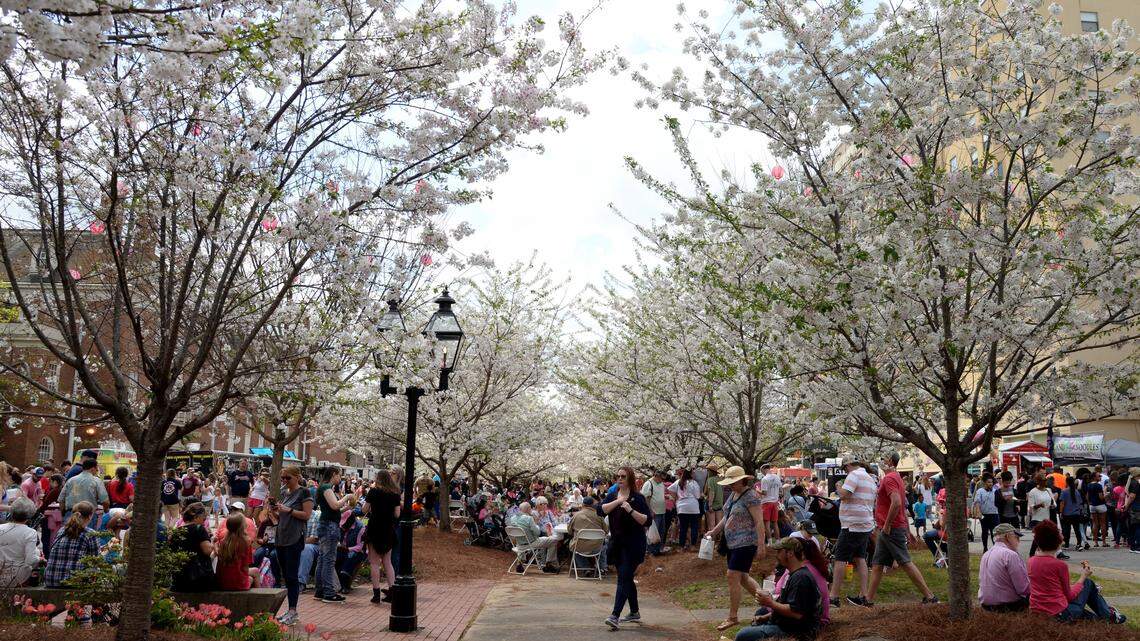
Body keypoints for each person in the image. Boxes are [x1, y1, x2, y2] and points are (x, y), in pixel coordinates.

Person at [865, 452, 937, 607]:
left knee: (905, 562)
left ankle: (930, 596)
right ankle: (868, 600)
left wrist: (887, 524)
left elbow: (897, 503)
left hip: (890, 529)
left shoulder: (890, 478)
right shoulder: (896, 477)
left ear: (890, 461)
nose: (881, 462)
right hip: (891, 528)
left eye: (882, 458)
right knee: (877, 564)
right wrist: (907, 530)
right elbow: (902, 505)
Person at [1028, 520, 1127, 623]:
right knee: (1087, 583)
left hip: (1038, 612)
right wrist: (1083, 576)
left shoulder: (1031, 561)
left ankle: (1108, 616)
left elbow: (1052, 588)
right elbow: (1070, 596)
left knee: (1095, 620)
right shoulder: (1059, 565)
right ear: (1057, 541)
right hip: (1060, 614)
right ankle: (1110, 615)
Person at [705, 466, 765, 632]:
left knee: (732, 575)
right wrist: (714, 531)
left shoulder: (751, 496)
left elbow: (759, 522)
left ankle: (733, 616)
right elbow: (727, 515)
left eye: (733, 482)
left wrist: (761, 545)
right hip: (733, 543)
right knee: (743, 577)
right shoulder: (734, 494)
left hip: (746, 543)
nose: (729, 485)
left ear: (742, 480)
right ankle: (769, 603)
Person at [733, 538, 821, 641]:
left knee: (742, 635)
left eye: (779, 552)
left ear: (790, 553)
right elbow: (787, 604)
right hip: (787, 625)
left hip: (795, 632)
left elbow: (796, 613)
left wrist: (770, 603)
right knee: (759, 615)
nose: (777, 556)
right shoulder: (794, 574)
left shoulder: (801, 578)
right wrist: (766, 616)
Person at [600, 466, 651, 630]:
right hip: (617, 544)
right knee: (626, 578)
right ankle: (634, 612)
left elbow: (647, 520)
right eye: (618, 476)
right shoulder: (612, 495)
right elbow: (600, 510)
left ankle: (614, 615)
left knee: (623, 577)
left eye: (623, 476)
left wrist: (630, 510)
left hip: (634, 544)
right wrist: (618, 502)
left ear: (630, 478)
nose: (619, 479)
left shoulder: (638, 498)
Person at [830, 456, 875, 608]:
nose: (845, 471)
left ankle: (833, 596)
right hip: (865, 523)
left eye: (844, 468)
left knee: (840, 559)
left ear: (848, 465)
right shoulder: (869, 477)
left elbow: (844, 495)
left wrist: (838, 486)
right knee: (860, 558)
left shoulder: (854, 475)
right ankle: (864, 595)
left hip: (852, 523)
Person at [275, 466, 313, 624]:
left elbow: (306, 515)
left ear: (297, 477)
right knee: (285, 575)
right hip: (281, 536)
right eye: (282, 477)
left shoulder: (304, 492)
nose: (284, 481)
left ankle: (293, 610)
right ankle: (289, 610)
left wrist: (288, 510)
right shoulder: (284, 492)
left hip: (294, 538)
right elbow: (282, 515)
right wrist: (274, 511)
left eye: (287, 478)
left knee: (292, 575)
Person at [314, 466, 355, 603]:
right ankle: (328, 592)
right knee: (328, 560)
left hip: (326, 524)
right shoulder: (326, 488)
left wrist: (347, 508)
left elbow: (334, 510)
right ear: (333, 474)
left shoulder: (323, 488)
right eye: (339, 475)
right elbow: (334, 505)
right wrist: (348, 497)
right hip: (329, 527)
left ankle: (320, 590)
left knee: (322, 558)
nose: (340, 478)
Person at [362, 470, 400, 604]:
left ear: (377, 479)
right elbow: (397, 514)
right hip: (388, 529)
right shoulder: (395, 494)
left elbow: (364, 510)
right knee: (387, 562)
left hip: (374, 529)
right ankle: (392, 592)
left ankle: (376, 594)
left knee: (374, 563)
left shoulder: (373, 492)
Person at [44, 501, 98, 588]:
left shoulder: (62, 530)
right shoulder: (90, 534)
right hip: (74, 582)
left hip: (51, 580)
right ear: (90, 516)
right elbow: (96, 561)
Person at [978, 523, 1029, 611]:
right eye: (1016, 537)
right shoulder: (1010, 555)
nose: (1018, 541)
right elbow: (1023, 589)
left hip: (986, 605)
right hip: (1008, 605)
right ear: (1008, 536)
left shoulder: (986, 554)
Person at [507, 502, 560, 572]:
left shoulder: (513, 518)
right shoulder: (529, 518)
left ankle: (520, 561)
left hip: (519, 545)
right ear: (528, 509)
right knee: (554, 540)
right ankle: (550, 563)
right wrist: (536, 524)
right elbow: (538, 533)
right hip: (532, 543)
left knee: (527, 540)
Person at [0, 498, 41, 587]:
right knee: (37, 552)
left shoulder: (1, 528)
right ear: (29, 516)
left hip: (1, 572)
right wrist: (40, 559)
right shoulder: (30, 532)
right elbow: (31, 560)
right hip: (17, 576)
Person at [216, 512, 260, 591]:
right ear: (242, 526)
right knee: (255, 572)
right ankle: (260, 599)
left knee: (251, 574)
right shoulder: (246, 542)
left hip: (222, 581)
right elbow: (245, 567)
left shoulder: (223, 541)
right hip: (237, 582)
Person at [566, 496, 609, 574]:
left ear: (583, 504)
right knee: (604, 544)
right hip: (597, 547)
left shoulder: (576, 515)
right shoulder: (599, 515)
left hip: (580, 546)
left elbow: (569, 531)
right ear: (593, 505)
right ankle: (603, 567)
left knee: (574, 547)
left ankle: (585, 568)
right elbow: (606, 531)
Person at [669, 468, 702, 552]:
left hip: (681, 507)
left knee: (683, 527)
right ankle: (693, 546)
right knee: (694, 526)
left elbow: (669, 489)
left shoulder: (679, 482)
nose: (694, 474)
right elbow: (698, 496)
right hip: (693, 507)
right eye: (693, 473)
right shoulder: (694, 483)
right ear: (690, 474)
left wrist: (676, 498)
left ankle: (681, 546)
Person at [1026, 472, 1057, 557]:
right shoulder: (1033, 492)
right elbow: (1030, 507)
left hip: (1047, 518)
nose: (1045, 482)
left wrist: (1052, 506)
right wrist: (1039, 505)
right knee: (1038, 538)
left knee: (1045, 538)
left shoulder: (1048, 490)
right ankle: (1032, 555)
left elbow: (1054, 503)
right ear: (1038, 481)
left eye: (1045, 480)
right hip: (1037, 519)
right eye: (1043, 480)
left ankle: (1043, 555)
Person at [641, 471, 668, 556]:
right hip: (654, 512)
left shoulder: (661, 484)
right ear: (656, 476)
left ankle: (658, 549)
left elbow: (660, 495)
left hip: (662, 511)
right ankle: (651, 550)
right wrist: (650, 511)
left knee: (661, 531)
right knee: (652, 533)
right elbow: (646, 498)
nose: (662, 480)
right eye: (661, 478)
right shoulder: (648, 483)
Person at [972, 474, 1000, 552]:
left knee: (994, 532)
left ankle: (996, 548)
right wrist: (978, 512)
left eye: (991, 482)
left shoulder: (996, 491)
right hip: (984, 515)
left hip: (994, 514)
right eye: (988, 482)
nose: (990, 484)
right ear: (984, 483)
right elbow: (977, 502)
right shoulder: (980, 491)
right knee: (984, 531)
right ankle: (985, 548)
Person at [1058, 479, 1087, 550]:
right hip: (1076, 513)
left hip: (1066, 513)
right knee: (1077, 529)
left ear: (1066, 482)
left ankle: (1067, 544)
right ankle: (1079, 544)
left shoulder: (1064, 491)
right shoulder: (1077, 491)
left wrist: (1061, 512)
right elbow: (1080, 503)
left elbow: (1062, 503)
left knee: (1067, 529)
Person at [759, 464, 782, 542]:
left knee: (767, 523)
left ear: (764, 469)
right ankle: (778, 541)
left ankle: (770, 542)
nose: (762, 473)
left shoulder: (764, 479)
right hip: (775, 502)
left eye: (761, 471)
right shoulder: (777, 477)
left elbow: (764, 493)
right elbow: (781, 490)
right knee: (775, 523)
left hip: (766, 502)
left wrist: (757, 490)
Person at [1085, 473, 1107, 547]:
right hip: (1100, 505)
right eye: (1099, 476)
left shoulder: (1088, 485)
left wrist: (1089, 504)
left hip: (1092, 506)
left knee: (1094, 523)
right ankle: (1104, 542)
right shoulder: (1099, 485)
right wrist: (1106, 495)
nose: (1100, 477)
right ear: (1094, 477)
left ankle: (1096, 542)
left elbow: (1087, 497)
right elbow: (1101, 497)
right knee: (1103, 523)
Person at [705, 465, 725, 531]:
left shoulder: (710, 480)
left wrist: (710, 505)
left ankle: (712, 540)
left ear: (710, 471)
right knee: (719, 523)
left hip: (713, 504)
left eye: (708, 470)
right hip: (720, 503)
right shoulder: (719, 479)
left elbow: (712, 492)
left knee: (712, 525)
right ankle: (718, 539)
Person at [1125, 467, 1140, 553]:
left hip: (1134, 507)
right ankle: (1137, 546)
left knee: (1133, 527)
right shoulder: (1135, 483)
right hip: (1137, 508)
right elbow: (1132, 496)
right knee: (1138, 527)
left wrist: (1127, 506)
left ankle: (1132, 546)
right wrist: (1126, 505)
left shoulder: (1132, 482)